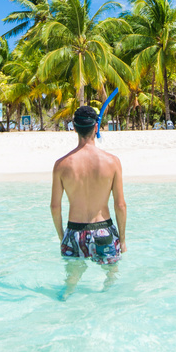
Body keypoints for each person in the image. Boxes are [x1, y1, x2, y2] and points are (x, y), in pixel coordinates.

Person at [51, 104, 126, 299]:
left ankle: (65, 300)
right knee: (111, 279)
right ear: (96, 127)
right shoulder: (112, 162)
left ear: (74, 128)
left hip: (74, 232)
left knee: (71, 281)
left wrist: (63, 237)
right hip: (104, 230)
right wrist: (123, 240)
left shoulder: (61, 165)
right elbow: (120, 205)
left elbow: (55, 207)